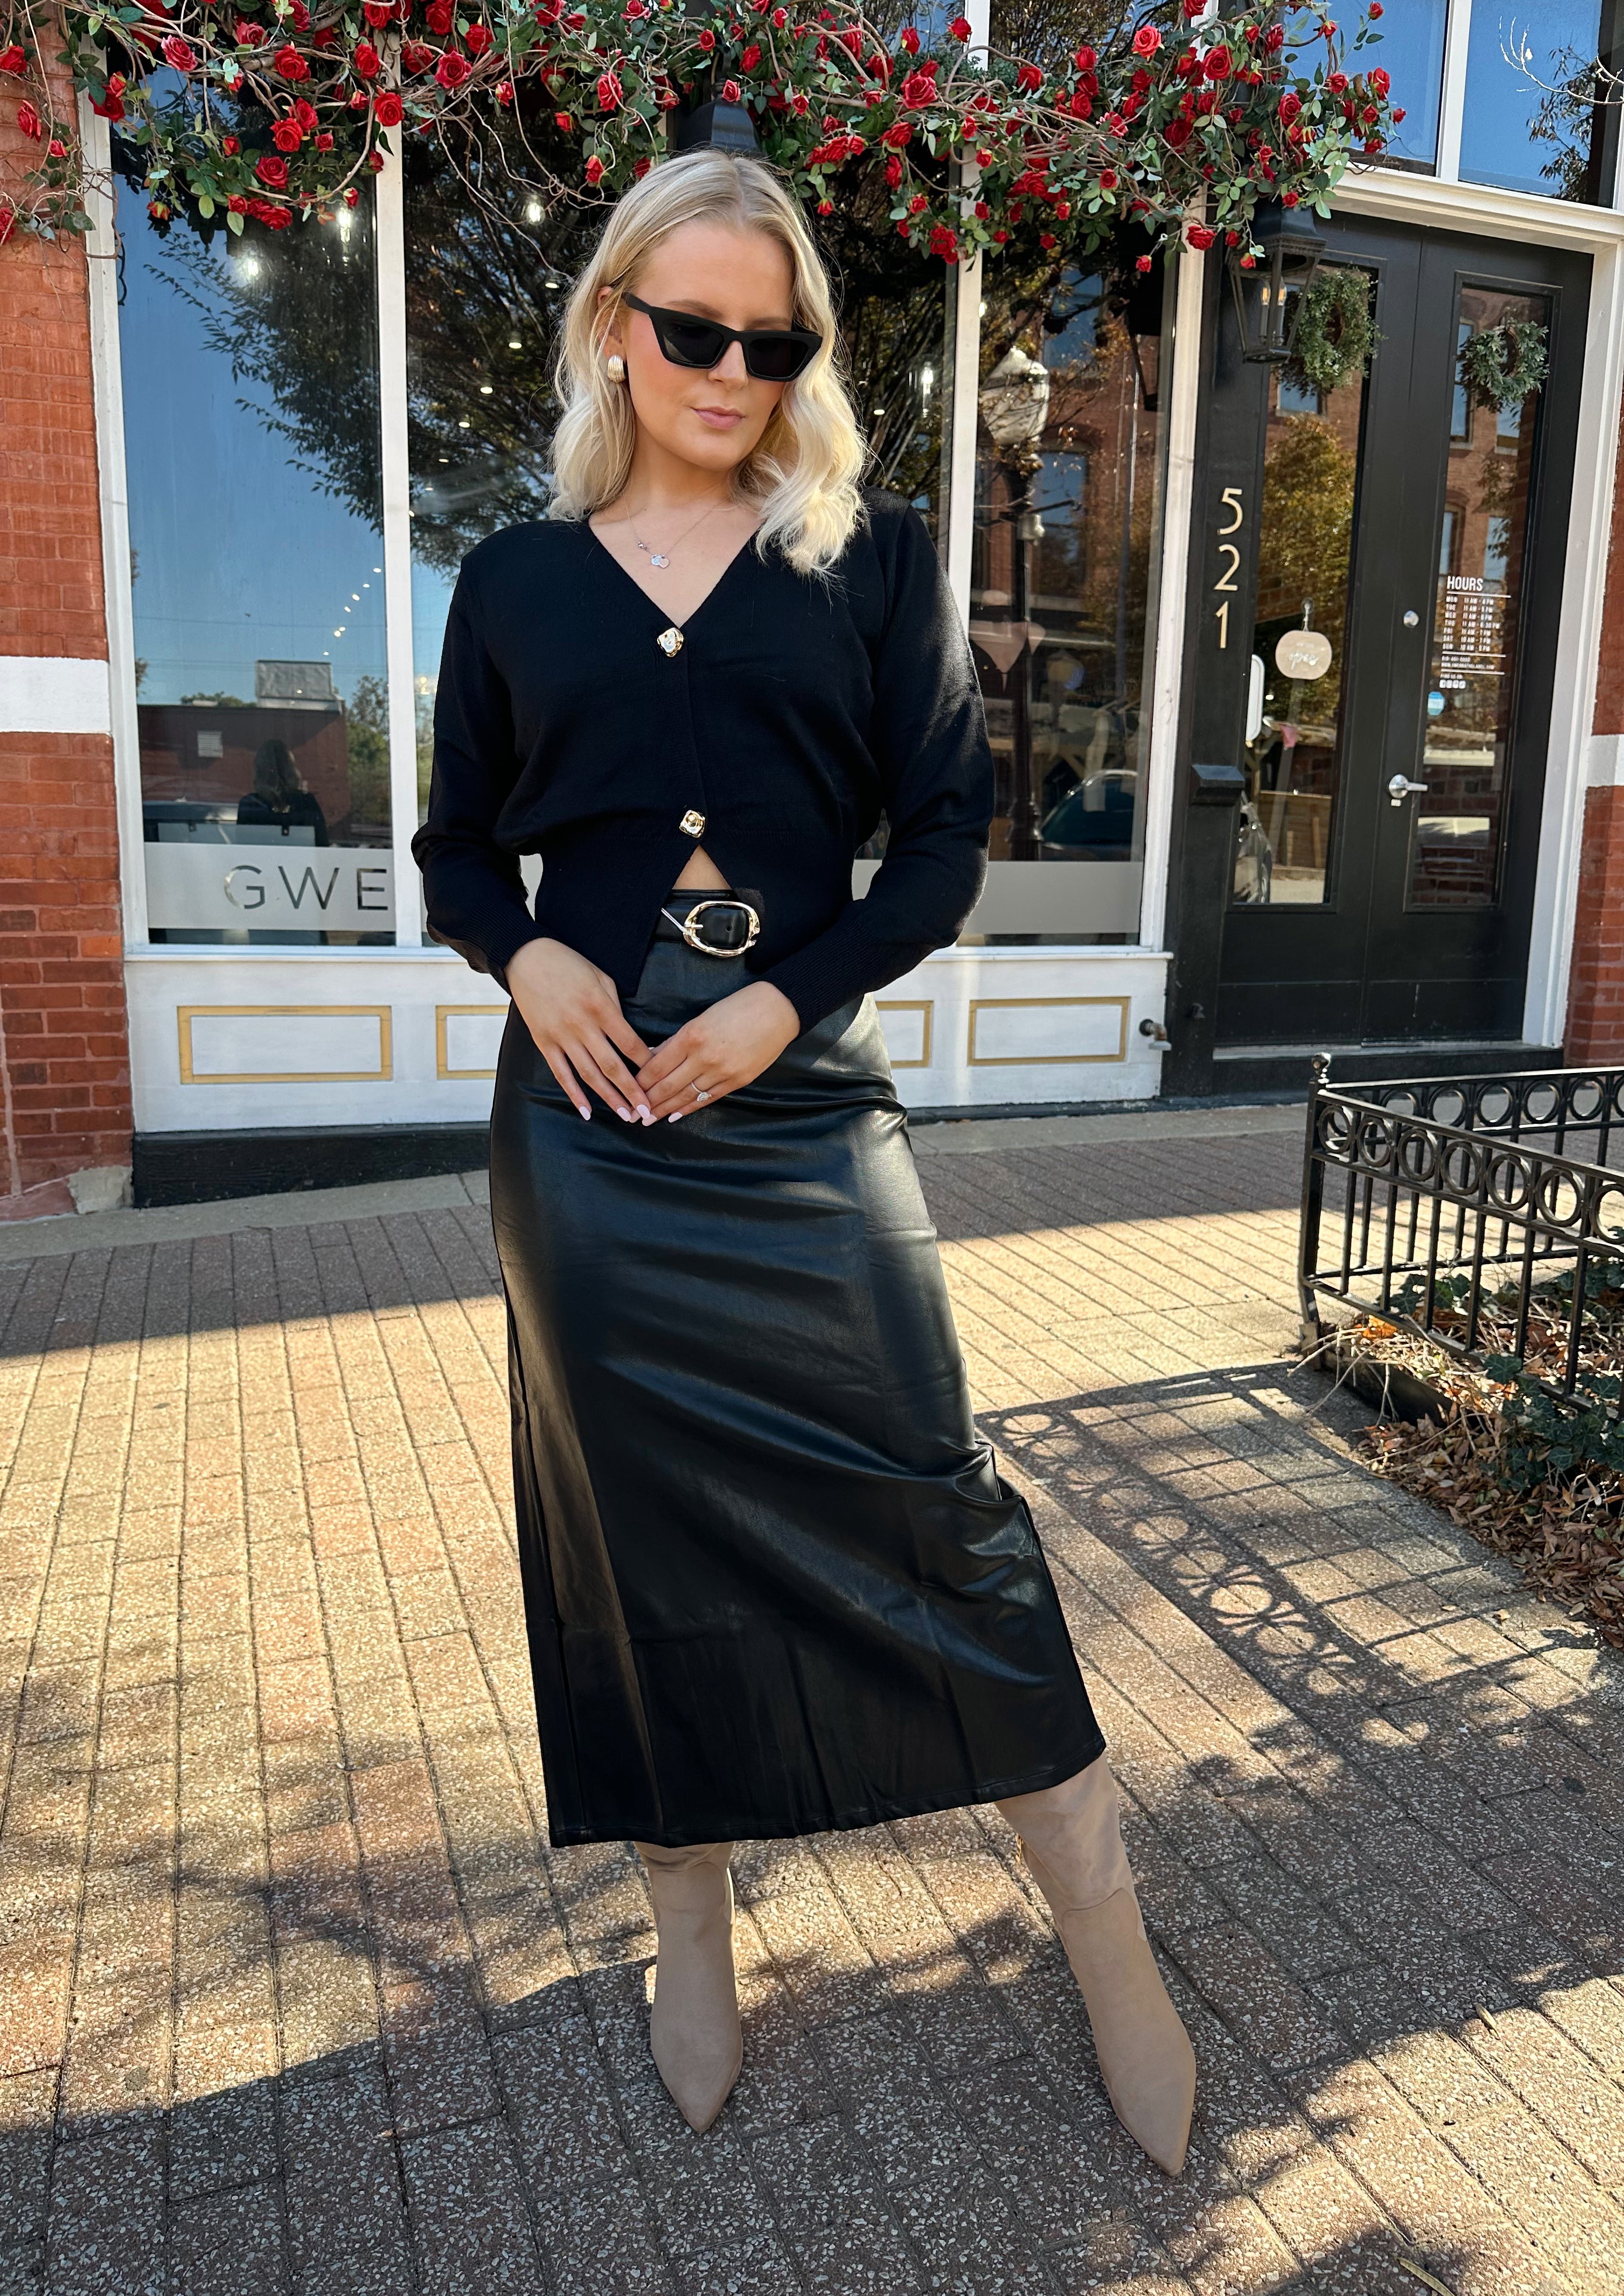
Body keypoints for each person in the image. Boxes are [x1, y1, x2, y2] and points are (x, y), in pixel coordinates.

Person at [412, 145, 1195, 2173]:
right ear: (612, 324)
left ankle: (1094, 1903)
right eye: (692, 329)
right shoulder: (509, 584)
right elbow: (449, 849)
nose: (732, 370)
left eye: (774, 341)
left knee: (933, 1496)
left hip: (800, 1111)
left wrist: (791, 996)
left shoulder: (870, 556)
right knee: (630, 1539)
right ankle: (690, 1912)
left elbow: (943, 836)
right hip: (591, 1143)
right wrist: (531, 951)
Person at [238, 737, 330, 843]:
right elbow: (321, 845)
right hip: (301, 859)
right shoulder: (306, 803)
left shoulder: (250, 805)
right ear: (291, 770)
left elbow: (243, 849)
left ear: (259, 771)